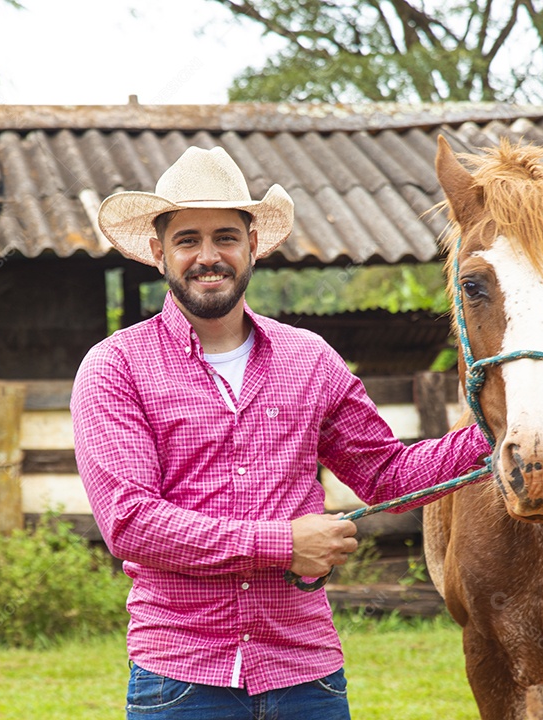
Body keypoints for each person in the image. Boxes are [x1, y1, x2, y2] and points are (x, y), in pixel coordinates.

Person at [71, 146, 491, 719]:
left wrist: (499, 427)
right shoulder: (115, 366)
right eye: (187, 239)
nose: (208, 256)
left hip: (307, 677)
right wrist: (286, 544)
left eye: (225, 236)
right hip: (182, 681)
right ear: (158, 252)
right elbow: (130, 523)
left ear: (252, 246)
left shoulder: (310, 358)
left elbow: (386, 474)